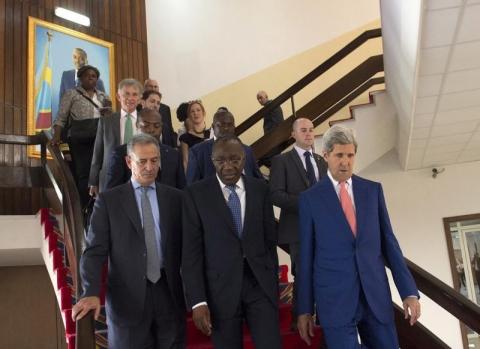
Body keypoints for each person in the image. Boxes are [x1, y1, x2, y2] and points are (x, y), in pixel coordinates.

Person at [297, 125, 421, 349]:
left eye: (350, 155)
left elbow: (389, 244)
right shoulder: (310, 199)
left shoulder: (372, 191)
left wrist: (409, 291)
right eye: (339, 155)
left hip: (375, 295)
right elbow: (305, 257)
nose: (345, 162)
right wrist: (304, 308)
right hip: (335, 300)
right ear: (326, 156)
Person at [72, 134, 186, 348]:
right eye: (142, 161)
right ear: (128, 162)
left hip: (169, 294)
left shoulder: (176, 198)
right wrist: (91, 292)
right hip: (127, 299)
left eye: (154, 160)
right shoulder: (109, 201)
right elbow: (94, 251)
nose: (150, 167)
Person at [182, 136, 281, 348]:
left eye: (234, 159)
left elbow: (269, 240)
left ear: (244, 159)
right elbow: (191, 254)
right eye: (221, 160)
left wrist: (272, 281)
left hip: (259, 286)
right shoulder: (196, 194)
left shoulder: (260, 189)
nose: (228, 166)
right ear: (212, 160)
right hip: (220, 290)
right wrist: (198, 301)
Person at [269, 117, 327, 329]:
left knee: (324, 274)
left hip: (323, 232)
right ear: (292, 134)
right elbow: (275, 195)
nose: (309, 134)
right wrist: (306, 203)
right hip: (297, 230)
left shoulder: (322, 161)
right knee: (303, 273)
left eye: (311, 130)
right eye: (303, 130)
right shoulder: (282, 161)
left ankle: (323, 320)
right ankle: (300, 319)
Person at [51, 65, 111, 207]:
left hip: (99, 137)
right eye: (87, 75)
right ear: (80, 78)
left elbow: (110, 118)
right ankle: (83, 207)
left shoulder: (104, 96)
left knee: (100, 172)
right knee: (84, 173)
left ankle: (98, 206)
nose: (91, 77)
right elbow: (61, 118)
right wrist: (56, 137)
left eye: (94, 76)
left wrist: (107, 114)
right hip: (79, 138)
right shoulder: (71, 93)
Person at [105, 108, 185, 190]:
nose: (151, 130)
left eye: (156, 126)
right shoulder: (120, 154)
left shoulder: (173, 155)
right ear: (137, 125)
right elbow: (111, 194)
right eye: (146, 125)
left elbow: (182, 191)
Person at [89, 78, 142, 195]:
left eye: (134, 94)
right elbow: (98, 153)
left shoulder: (145, 121)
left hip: (138, 173)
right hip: (110, 175)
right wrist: (93, 181)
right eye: (126, 94)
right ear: (118, 97)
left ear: (139, 99)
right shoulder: (106, 121)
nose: (130, 98)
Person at [186, 110, 263, 185]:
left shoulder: (247, 150)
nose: (226, 128)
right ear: (213, 127)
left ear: (234, 127)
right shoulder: (198, 152)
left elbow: (258, 180)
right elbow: (192, 187)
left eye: (229, 125)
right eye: (221, 125)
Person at [179, 100, 210, 170]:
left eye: (198, 110)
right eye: (192, 111)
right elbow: (186, 161)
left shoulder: (211, 133)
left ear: (203, 113)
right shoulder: (185, 138)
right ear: (189, 116)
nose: (195, 113)